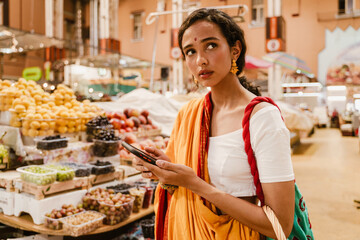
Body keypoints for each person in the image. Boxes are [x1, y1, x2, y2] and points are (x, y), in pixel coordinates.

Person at [134, 8, 295, 240]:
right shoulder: (189, 113)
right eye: (190, 51)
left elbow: (279, 226)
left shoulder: (262, 119)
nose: (200, 60)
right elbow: (182, 183)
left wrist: (196, 184)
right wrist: (166, 172)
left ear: (235, 50)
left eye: (211, 45)